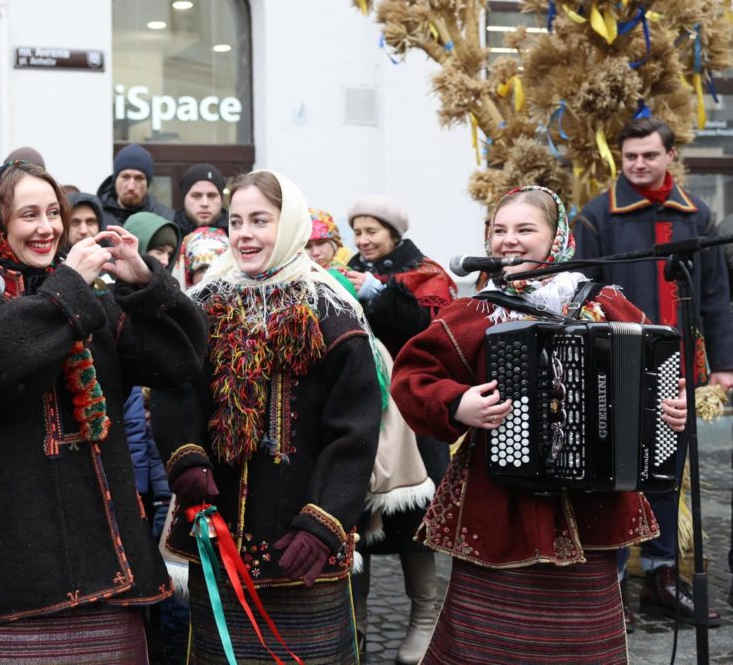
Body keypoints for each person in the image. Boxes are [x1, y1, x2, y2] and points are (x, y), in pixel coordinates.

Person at [391, 185, 687, 663]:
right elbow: (411, 377)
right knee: (490, 642)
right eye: (499, 230)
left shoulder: (606, 304)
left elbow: (655, 372)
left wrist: (668, 410)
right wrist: (457, 402)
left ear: (557, 238)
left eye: (525, 229)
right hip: (502, 501)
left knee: (581, 642)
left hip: (593, 508)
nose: (509, 240)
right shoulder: (475, 311)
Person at [0, 160, 206, 662]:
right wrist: (70, 287)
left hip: (106, 576)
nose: (47, 227)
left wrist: (144, 283)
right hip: (0, 580)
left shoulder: (94, 305)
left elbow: (182, 360)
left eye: (54, 212)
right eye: (28, 214)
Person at [152, 170, 381, 664]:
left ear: (291, 223)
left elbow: (354, 433)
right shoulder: (206, 306)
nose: (245, 234)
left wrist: (324, 523)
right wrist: (186, 459)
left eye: (260, 220)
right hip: (219, 534)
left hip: (303, 543)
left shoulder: (332, 313)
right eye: (236, 221)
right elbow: (176, 392)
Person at [574, 116, 732, 626]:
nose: (639, 164)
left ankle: (662, 577)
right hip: (613, 365)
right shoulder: (598, 216)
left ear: (669, 156)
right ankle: (612, 582)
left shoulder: (696, 216)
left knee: (666, 473)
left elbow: (715, 297)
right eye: (630, 157)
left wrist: (724, 366)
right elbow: (582, 291)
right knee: (615, 476)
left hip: (676, 367)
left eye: (649, 155)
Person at [344, 194, 456, 664]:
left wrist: (377, 292)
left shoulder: (427, 274)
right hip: (361, 412)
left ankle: (424, 619)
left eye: (372, 230)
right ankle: (358, 625)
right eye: (358, 232)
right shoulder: (348, 268)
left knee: (414, 522)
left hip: (413, 415)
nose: (363, 240)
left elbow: (429, 331)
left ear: (394, 232)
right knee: (355, 520)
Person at [97, 143, 174, 225]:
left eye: (139, 178)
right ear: (115, 180)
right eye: (125, 177)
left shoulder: (165, 219)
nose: (131, 187)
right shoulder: (95, 216)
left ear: (147, 184)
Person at [175, 164, 228, 238]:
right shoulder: (170, 233)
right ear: (184, 198)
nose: (204, 203)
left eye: (211, 195)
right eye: (196, 195)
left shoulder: (236, 233)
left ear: (221, 198)